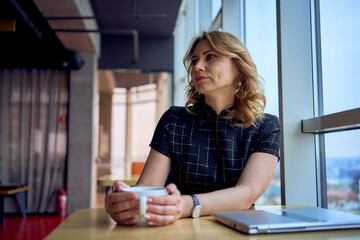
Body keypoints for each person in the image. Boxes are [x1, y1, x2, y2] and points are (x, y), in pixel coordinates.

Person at [106, 31, 281, 226]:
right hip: (178, 230)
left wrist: (187, 204)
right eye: (194, 60)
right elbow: (148, 185)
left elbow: (247, 193)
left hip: (236, 231)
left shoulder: (266, 126)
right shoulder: (173, 120)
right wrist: (128, 202)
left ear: (238, 66)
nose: (197, 66)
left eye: (211, 56)